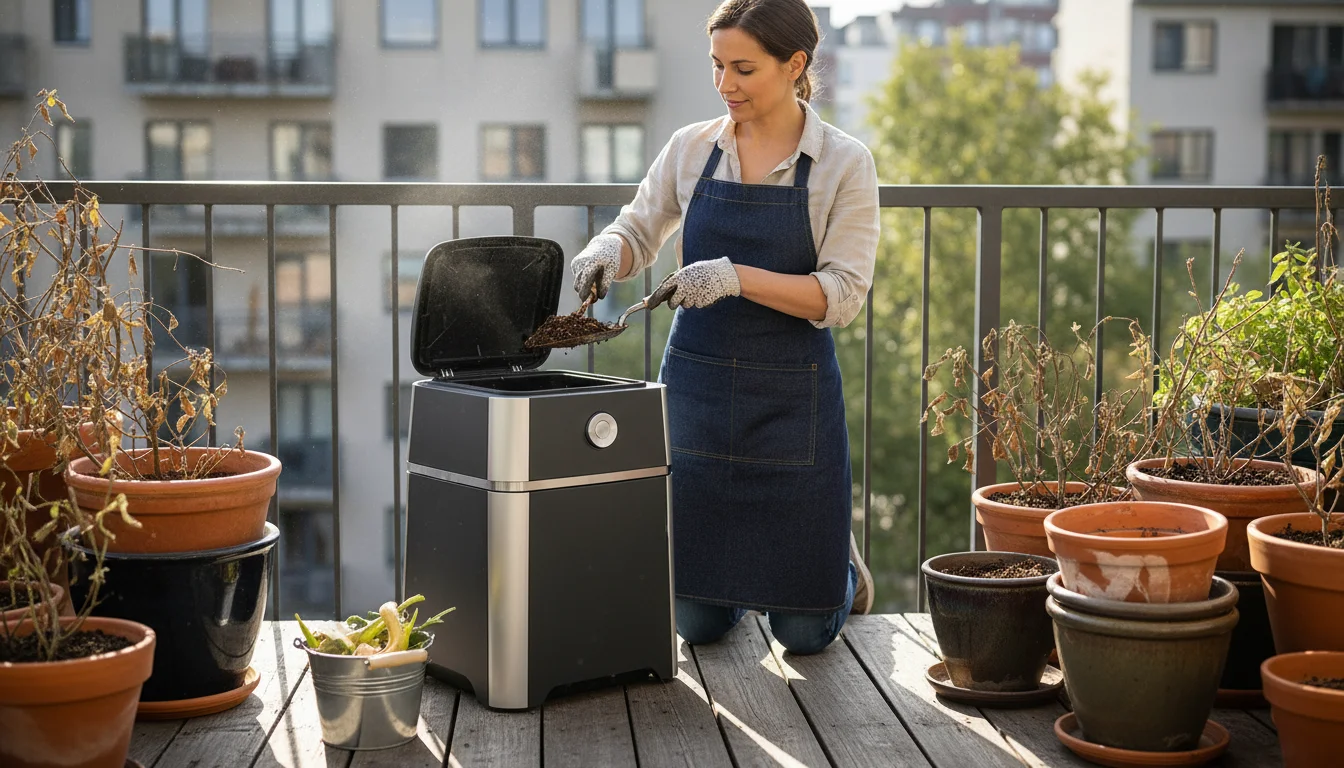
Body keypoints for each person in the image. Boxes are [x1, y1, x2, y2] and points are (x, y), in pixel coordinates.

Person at [569, 0, 879, 655]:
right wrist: (605, 251)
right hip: (697, 394)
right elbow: (639, 228)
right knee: (697, 625)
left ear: (795, 65)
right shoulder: (691, 148)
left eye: (743, 68)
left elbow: (842, 296)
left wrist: (737, 276)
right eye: (717, 66)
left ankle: (840, 572)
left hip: (793, 398)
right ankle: (732, 583)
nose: (725, 84)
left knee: (803, 633)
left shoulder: (844, 164)